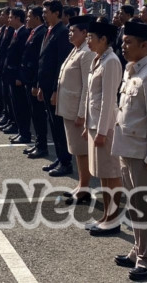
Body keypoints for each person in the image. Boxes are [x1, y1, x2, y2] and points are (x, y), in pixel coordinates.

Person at [111, 21, 147, 281]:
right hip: (128, 149)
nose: (123, 46)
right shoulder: (131, 70)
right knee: (135, 206)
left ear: (144, 45)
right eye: (123, 41)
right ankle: (139, 250)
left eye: (128, 42)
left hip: (146, 155)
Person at [84, 18, 123, 236]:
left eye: (91, 38)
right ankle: (107, 215)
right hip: (94, 124)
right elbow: (91, 96)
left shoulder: (111, 61)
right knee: (103, 175)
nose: (88, 42)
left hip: (105, 127)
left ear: (104, 39)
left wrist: (101, 130)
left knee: (111, 173)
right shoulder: (98, 59)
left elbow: (108, 99)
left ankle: (114, 218)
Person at [56, 15, 96, 203]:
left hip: (76, 110)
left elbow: (87, 86)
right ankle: (81, 184)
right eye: (70, 30)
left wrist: (82, 113)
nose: (70, 34)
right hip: (68, 106)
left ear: (85, 33)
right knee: (77, 150)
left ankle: (85, 186)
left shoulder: (87, 52)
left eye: (74, 31)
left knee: (81, 151)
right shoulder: (76, 50)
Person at [35, 0, 74, 176]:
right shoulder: (48, 31)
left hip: (55, 88)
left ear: (57, 13)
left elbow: (60, 64)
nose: (43, 15)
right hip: (46, 86)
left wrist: (56, 90)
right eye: (43, 12)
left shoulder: (62, 33)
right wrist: (40, 85)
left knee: (58, 127)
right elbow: (43, 61)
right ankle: (60, 157)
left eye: (46, 12)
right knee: (53, 124)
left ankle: (66, 162)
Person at [20, 6, 48, 158]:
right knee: (34, 114)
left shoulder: (42, 33)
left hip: (34, 81)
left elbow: (39, 61)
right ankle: (38, 144)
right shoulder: (34, 32)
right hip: (29, 79)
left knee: (38, 116)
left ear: (37, 18)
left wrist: (36, 83)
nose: (27, 18)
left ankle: (42, 146)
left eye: (29, 16)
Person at [2, 8, 30, 142]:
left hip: (17, 76)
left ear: (18, 18)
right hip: (11, 74)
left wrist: (20, 76)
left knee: (21, 106)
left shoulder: (24, 33)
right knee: (15, 105)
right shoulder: (16, 32)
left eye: (11, 17)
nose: (9, 19)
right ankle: (20, 131)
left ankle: (25, 134)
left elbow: (23, 58)